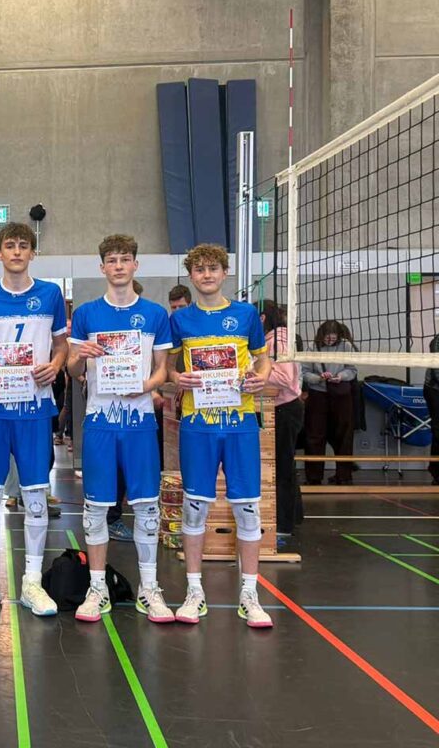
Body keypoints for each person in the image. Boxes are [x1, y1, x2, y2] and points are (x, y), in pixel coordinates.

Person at [0, 222, 68, 617]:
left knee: (36, 496)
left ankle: (32, 582)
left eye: (24, 245)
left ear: (33, 253)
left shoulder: (51, 294)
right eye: (10, 245)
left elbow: (61, 345)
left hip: (35, 408)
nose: (17, 252)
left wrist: (55, 365)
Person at [68, 234, 174, 622]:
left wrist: (145, 386)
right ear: (102, 268)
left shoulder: (155, 314)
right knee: (96, 507)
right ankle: (97, 588)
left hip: (140, 422)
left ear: (135, 265)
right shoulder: (87, 314)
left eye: (125, 259)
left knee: (146, 505)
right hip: (100, 421)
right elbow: (72, 370)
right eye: (111, 260)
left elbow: (163, 370)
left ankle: (149, 588)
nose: (118, 266)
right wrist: (80, 356)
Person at [168, 244, 274, 628]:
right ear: (191, 276)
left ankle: (250, 594)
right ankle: (194, 591)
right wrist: (177, 378)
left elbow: (263, 359)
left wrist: (261, 377)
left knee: (247, 508)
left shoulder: (245, 315)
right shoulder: (180, 320)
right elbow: (168, 367)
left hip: (240, 421)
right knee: (194, 506)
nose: (207, 275)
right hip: (198, 423)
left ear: (225, 272)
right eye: (199, 270)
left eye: (213, 268)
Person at [262, 301, 304, 536]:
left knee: (282, 467)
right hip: (281, 408)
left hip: (285, 409)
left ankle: (284, 525)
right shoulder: (273, 339)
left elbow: (284, 378)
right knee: (285, 465)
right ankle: (293, 517)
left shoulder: (278, 341)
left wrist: (255, 373)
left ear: (261, 318)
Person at [302, 320, 358, 485]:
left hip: (341, 395)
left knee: (344, 435)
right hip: (318, 395)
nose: (330, 341)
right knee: (314, 435)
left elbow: (352, 369)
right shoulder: (312, 347)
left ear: (339, 336)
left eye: (333, 338)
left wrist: (341, 376)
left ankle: (344, 476)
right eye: (327, 338)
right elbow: (304, 373)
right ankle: (313, 477)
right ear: (321, 335)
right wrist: (319, 378)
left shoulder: (346, 346)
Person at [425, 333, 439, 485]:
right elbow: (437, 372)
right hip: (434, 390)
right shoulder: (437, 341)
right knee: (438, 431)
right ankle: (436, 472)